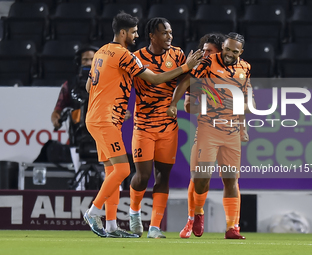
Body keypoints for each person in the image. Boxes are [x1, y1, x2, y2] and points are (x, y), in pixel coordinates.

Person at [82, 11, 202, 238]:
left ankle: (111, 226)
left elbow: (90, 87)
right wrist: (186, 67)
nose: (136, 36)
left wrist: (112, 99)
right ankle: (93, 212)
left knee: (112, 172)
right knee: (123, 170)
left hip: (102, 117)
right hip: (109, 119)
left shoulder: (101, 51)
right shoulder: (125, 55)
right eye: (134, 32)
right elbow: (155, 79)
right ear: (124, 32)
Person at [167, 32, 255, 239]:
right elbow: (185, 83)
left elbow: (250, 103)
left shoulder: (245, 68)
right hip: (208, 130)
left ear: (240, 52)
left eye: (235, 51)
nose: (230, 53)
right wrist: (173, 104)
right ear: (223, 47)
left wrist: (241, 122)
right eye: (227, 49)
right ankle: (197, 212)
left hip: (231, 133)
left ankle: (233, 228)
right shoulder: (207, 64)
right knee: (201, 179)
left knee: (231, 180)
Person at [128, 17, 187, 239]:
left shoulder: (178, 55)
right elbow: (143, 81)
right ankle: (134, 214)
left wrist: (175, 102)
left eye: (171, 32)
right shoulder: (137, 58)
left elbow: (186, 79)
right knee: (142, 176)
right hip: (143, 126)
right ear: (152, 35)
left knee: (163, 176)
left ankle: (154, 226)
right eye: (164, 33)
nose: (169, 36)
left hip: (168, 127)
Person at [51, 44, 98, 190]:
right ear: (79, 62)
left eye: (92, 59)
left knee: (107, 176)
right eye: (85, 60)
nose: (89, 63)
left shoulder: (108, 82)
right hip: (78, 137)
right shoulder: (69, 85)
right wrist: (56, 119)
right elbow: (58, 109)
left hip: (102, 136)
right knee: (80, 178)